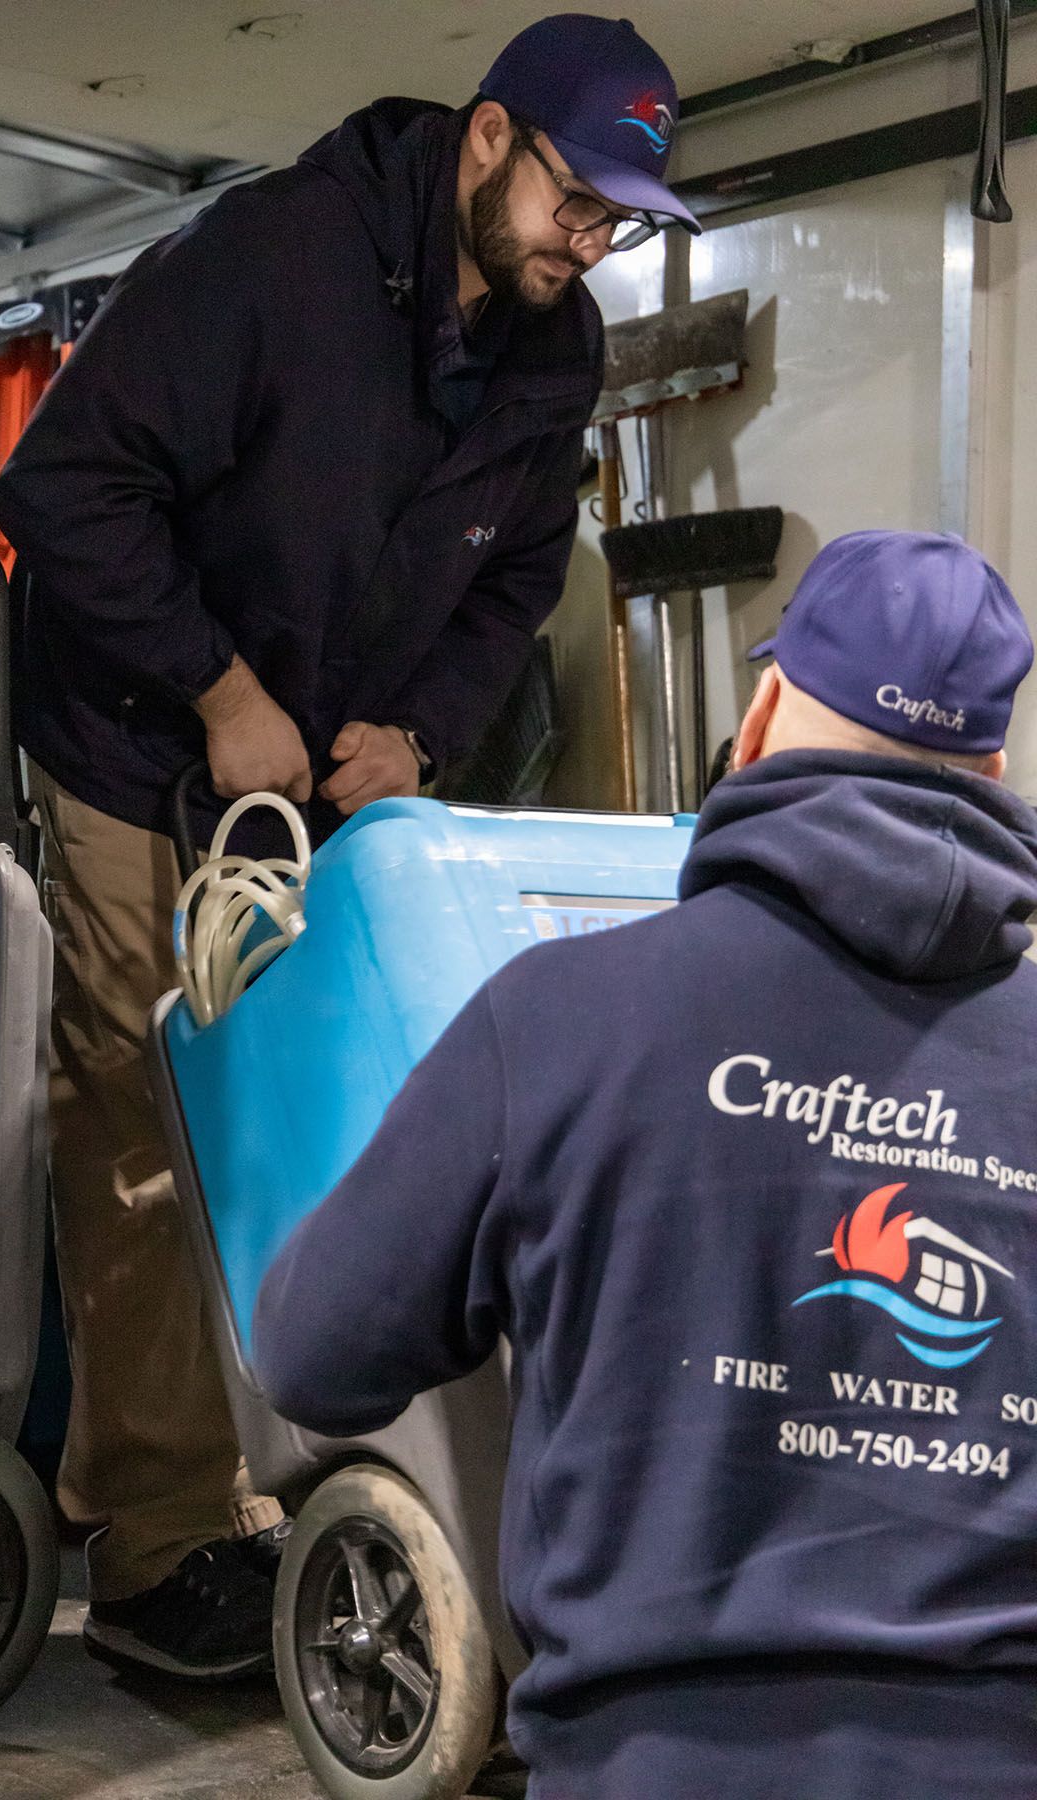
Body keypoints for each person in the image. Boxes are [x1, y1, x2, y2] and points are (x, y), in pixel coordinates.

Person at [0, 14, 700, 1678]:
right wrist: (217, 685)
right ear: (487, 140)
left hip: (323, 786)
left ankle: (289, 1475)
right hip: (134, 756)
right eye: (571, 202)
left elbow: (520, 576)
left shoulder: (557, 348)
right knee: (141, 1129)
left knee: (317, 1113)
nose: (585, 243)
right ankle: (161, 1544)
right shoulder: (274, 257)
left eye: (612, 221)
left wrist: (428, 731)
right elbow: (59, 488)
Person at [253, 531, 1037, 1798]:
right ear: (993, 767)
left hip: (656, 1764)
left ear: (766, 707)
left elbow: (313, 1353)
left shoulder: (561, 1018)